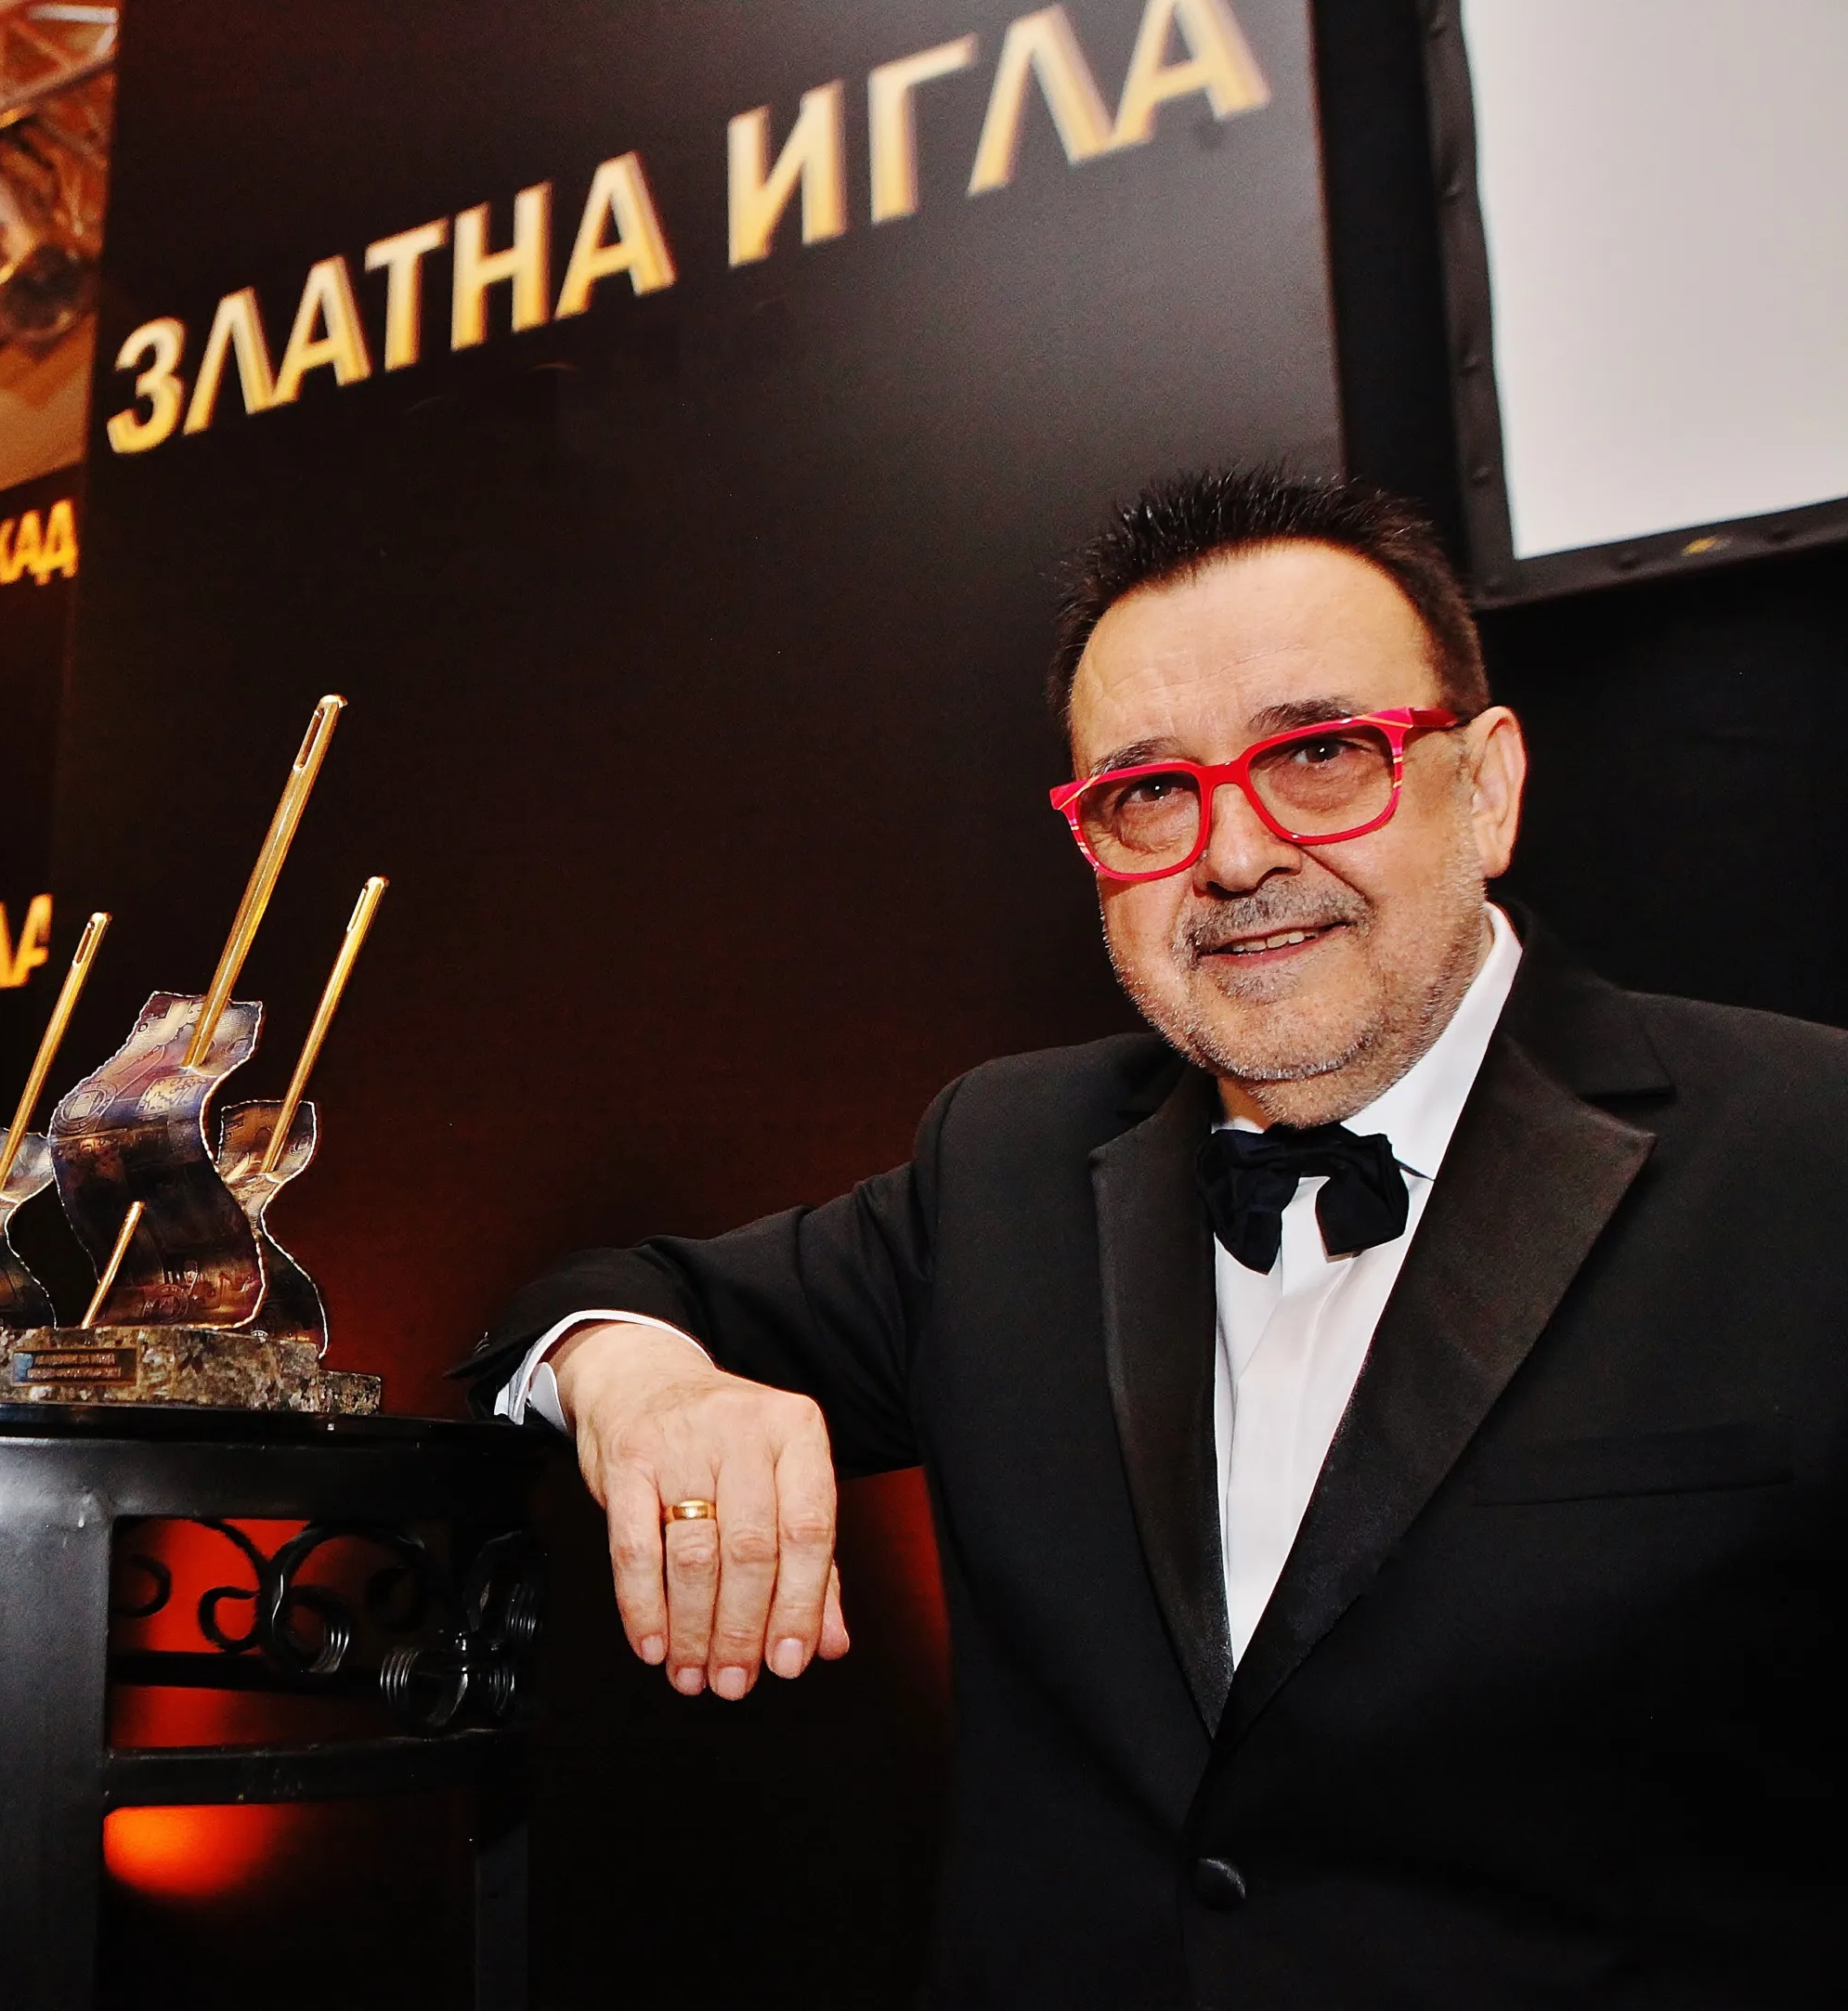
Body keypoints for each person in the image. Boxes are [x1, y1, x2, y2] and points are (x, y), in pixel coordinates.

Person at [457, 468, 1848, 2007]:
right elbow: (592, 1298)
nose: (1235, 854)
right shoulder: (1008, 1162)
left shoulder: (1809, 1150)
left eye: (1321, 754)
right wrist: (647, 1383)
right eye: (1150, 794)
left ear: (1490, 787)